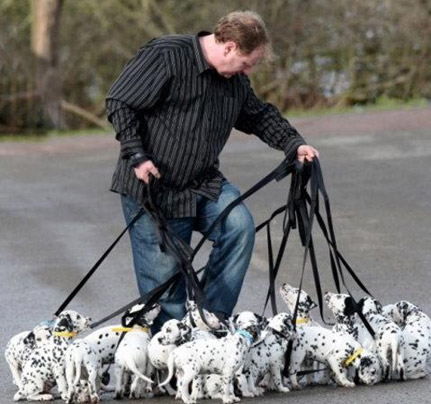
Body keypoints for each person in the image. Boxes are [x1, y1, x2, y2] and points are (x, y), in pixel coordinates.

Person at [105, 10, 319, 331]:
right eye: (248, 62)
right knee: (168, 289)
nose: (248, 70)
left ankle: (211, 323)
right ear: (229, 47)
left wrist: (293, 144)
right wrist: (137, 154)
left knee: (239, 227)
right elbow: (120, 102)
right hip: (153, 189)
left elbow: (258, 116)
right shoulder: (166, 56)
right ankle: (170, 351)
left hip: (203, 184)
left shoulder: (234, 81)